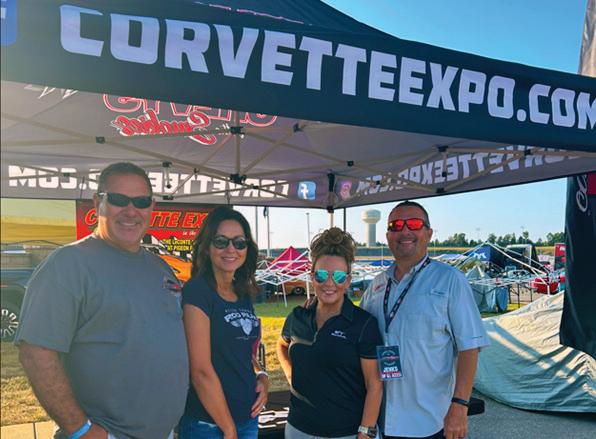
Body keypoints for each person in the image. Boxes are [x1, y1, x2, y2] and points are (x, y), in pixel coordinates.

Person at [15, 162, 189, 439]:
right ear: (98, 203)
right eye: (119, 200)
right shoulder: (68, 264)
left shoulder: (159, 267)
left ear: (152, 207)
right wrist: (80, 429)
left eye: (141, 202)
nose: (131, 211)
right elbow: (36, 353)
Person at [360, 201, 490, 439]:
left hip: (429, 420)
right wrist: (319, 306)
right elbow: (356, 331)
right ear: (388, 236)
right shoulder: (376, 285)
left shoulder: (450, 280)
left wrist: (460, 405)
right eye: (396, 226)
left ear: (429, 233)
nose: (405, 231)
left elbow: (470, 347)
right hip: (379, 419)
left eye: (414, 224)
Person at [277, 227, 383, 439]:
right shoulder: (298, 316)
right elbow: (282, 344)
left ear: (348, 280)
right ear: (312, 277)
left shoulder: (363, 324)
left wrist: (365, 431)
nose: (329, 283)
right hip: (298, 429)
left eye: (339, 276)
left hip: (345, 433)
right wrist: (291, 375)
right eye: (322, 275)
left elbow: (375, 385)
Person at [178, 206, 268, 439]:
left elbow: (244, 351)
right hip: (209, 425)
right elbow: (200, 371)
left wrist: (262, 375)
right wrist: (228, 428)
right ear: (207, 247)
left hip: (247, 419)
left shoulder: (242, 292)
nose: (231, 249)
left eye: (239, 243)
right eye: (221, 241)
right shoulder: (197, 291)